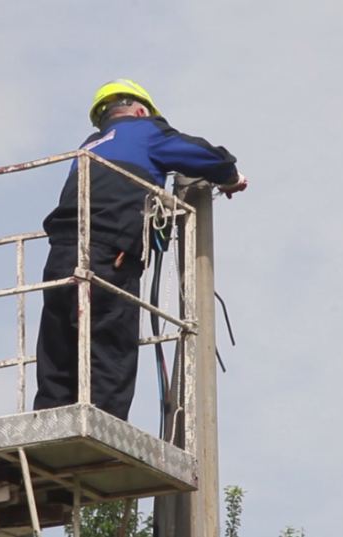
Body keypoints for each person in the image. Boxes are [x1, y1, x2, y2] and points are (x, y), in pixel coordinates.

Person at [33, 79, 247, 420]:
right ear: (141, 110)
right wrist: (231, 176)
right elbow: (207, 156)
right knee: (109, 344)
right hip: (109, 253)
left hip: (59, 255)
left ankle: (47, 424)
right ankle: (104, 429)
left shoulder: (88, 146)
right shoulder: (145, 131)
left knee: (59, 347)